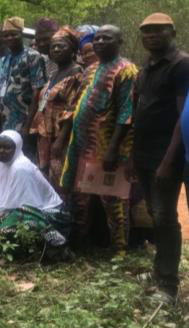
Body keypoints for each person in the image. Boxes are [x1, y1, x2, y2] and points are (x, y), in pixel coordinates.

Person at [60, 25, 138, 258]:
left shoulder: (127, 70)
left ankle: (120, 250)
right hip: (82, 145)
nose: (100, 41)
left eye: (107, 37)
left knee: (113, 199)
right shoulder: (92, 69)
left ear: (120, 41)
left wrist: (114, 148)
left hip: (107, 147)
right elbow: (77, 104)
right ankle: (82, 243)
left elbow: (127, 113)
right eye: (98, 38)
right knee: (80, 195)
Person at [133, 13, 189, 306]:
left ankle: (168, 285)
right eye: (146, 32)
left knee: (166, 216)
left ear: (172, 32)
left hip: (166, 154)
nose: (151, 35)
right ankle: (158, 270)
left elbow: (184, 117)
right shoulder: (147, 68)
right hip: (143, 153)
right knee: (156, 215)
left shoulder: (181, 65)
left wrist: (169, 160)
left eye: (158, 30)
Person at [0, 130, 69, 259]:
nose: (1, 151)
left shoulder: (20, 167)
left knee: (9, 225)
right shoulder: (2, 163)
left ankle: (54, 248)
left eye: (7, 148)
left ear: (17, 149)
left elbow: (25, 206)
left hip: (49, 214)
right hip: (21, 209)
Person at [28, 27, 83, 191]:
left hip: (61, 137)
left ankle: (64, 214)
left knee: (60, 180)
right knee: (45, 179)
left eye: (61, 46)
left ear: (72, 49)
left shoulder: (76, 74)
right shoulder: (55, 73)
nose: (56, 49)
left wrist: (60, 140)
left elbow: (73, 109)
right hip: (45, 134)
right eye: (53, 47)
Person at [0, 16, 47, 154]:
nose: (9, 38)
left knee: (24, 156)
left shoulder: (33, 56)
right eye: (6, 35)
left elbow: (38, 92)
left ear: (21, 34)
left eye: (14, 34)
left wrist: (28, 124)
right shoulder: (6, 58)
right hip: (7, 118)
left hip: (24, 119)